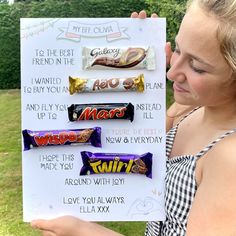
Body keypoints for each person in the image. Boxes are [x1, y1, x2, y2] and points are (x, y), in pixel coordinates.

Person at [31, 0, 236, 235]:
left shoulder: (230, 158)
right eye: (178, 49)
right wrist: (137, 67)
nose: (171, 72)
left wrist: (84, 231)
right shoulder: (188, 111)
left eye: (197, 67)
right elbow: (137, 143)